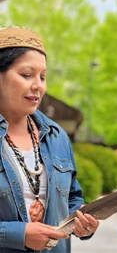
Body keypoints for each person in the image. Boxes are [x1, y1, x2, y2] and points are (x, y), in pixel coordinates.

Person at [0, 27, 99, 252]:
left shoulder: (56, 136)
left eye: (43, 77)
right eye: (26, 75)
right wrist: (18, 234)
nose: (38, 85)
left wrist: (82, 221)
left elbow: (72, 198)